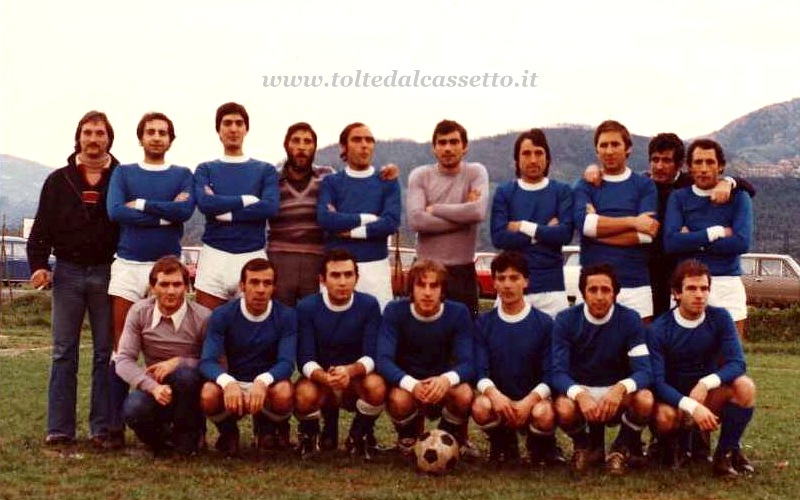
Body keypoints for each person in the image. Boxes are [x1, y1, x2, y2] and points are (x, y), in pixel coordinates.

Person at [27, 110, 120, 447]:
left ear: (109, 138)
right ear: (78, 137)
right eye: (87, 132)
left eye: (100, 133)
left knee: (105, 352)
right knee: (63, 351)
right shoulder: (58, 180)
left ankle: (101, 428)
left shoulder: (122, 178)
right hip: (66, 273)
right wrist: (38, 264)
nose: (94, 139)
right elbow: (40, 231)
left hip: (108, 274)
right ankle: (60, 429)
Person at [106, 112, 195, 448]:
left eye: (163, 132)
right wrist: (163, 214)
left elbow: (184, 213)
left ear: (171, 139)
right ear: (140, 137)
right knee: (121, 349)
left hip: (168, 266)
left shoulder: (182, 174)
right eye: (150, 132)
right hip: (129, 265)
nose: (157, 137)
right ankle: (114, 426)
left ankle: (185, 423)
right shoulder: (124, 173)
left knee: (178, 348)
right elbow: (116, 212)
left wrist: (142, 205)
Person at [648, 259, 756, 477]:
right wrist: (690, 405)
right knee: (664, 417)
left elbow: (738, 363)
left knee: (745, 387)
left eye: (704, 288)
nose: (699, 294)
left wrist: (706, 383)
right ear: (676, 293)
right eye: (691, 288)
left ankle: (726, 453)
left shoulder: (720, 318)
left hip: (707, 396)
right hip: (674, 399)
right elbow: (657, 382)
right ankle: (673, 446)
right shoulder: (659, 329)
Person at [551, 264, 654, 474]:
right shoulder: (565, 319)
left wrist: (620, 389)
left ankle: (620, 448)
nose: (599, 296)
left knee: (645, 399)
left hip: (616, 393)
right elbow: (557, 372)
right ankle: (585, 446)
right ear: (583, 293)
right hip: (583, 391)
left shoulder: (630, 319)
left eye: (606, 290)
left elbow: (645, 370)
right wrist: (579, 394)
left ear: (615, 293)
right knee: (563, 406)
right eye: (593, 290)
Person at [472, 251, 564, 465]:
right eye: (501, 278)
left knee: (544, 413)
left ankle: (540, 445)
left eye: (514, 278)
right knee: (480, 406)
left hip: (532, 402)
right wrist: (495, 395)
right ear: (494, 283)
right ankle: (503, 443)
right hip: (500, 402)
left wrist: (529, 401)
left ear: (526, 281)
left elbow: (551, 373)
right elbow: (479, 370)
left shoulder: (544, 323)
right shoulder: (484, 323)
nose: (507, 285)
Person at [294, 249, 386, 459]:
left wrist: (349, 371)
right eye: (335, 275)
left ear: (357, 278)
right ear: (323, 280)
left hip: (354, 381)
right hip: (321, 379)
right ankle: (311, 434)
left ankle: (359, 434)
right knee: (303, 394)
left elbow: (372, 354)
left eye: (348, 275)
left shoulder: (369, 305)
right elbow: (305, 359)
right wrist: (327, 378)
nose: (342, 282)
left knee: (377, 387)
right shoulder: (307, 307)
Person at [377, 259, 474, 456]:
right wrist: (411, 384)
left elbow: (469, 362)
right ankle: (409, 438)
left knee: (464, 393)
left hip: (442, 385)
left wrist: (446, 380)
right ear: (411, 288)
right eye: (421, 285)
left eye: (434, 285)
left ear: (443, 289)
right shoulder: (395, 311)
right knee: (398, 398)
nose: (428, 292)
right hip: (410, 386)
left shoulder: (459, 312)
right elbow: (383, 360)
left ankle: (448, 439)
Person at [114, 256, 210, 456]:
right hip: (157, 386)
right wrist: (153, 387)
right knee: (133, 409)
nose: (171, 291)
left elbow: (218, 362)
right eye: (164, 284)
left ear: (187, 287)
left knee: (185, 374)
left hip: (191, 387)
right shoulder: (139, 312)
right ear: (152, 287)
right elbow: (123, 360)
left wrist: (179, 362)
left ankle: (190, 437)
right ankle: (161, 441)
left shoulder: (203, 317)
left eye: (177, 284)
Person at [198, 258, 296, 456]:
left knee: (284, 392)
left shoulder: (286, 315)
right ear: (242, 286)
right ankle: (228, 432)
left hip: (267, 384)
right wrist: (227, 382)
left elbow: (287, 363)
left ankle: (269, 428)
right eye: (254, 282)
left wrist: (262, 381)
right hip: (234, 384)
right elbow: (207, 361)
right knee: (208, 393)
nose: (260, 289)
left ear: (274, 287)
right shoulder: (222, 314)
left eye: (267, 283)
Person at [664, 139, 753, 339]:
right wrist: (716, 232)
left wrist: (691, 240)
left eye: (710, 162)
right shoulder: (679, 197)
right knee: (683, 357)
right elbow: (671, 243)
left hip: (726, 284)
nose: (704, 168)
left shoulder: (739, 197)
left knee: (730, 359)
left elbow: (741, 242)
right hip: (687, 284)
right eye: (698, 162)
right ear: (689, 166)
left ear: (720, 166)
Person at [193, 102, 279, 310]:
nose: (233, 128)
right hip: (214, 256)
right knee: (209, 327)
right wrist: (247, 200)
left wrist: (224, 213)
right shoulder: (206, 169)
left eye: (239, 123)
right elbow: (206, 203)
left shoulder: (265, 170)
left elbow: (269, 207)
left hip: (252, 254)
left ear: (246, 129)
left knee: (253, 331)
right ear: (218, 130)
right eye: (227, 123)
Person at [573, 120, 658, 320]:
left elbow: (646, 235)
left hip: (635, 286)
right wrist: (633, 221)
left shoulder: (645, 186)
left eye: (615, 144)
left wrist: (599, 229)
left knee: (639, 350)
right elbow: (586, 226)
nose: (609, 151)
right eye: (603, 145)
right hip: (593, 288)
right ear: (596, 151)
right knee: (591, 351)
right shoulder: (584, 186)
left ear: (627, 148)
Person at [406, 119, 489, 318]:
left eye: (454, 142)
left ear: (465, 147)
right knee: (421, 334)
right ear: (434, 148)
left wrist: (435, 209)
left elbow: (477, 212)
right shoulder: (420, 175)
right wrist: (463, 215)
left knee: (468, 330)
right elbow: (417, 221)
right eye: (442, 143)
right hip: (424, 270)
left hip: (463, 271)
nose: (448, 148)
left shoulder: (476, 172)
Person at [490, 129, 574, 317]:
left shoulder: (562, 191)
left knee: (552, 345)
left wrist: (523, 226)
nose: (533, 159)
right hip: (512, 288)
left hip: (552, 289)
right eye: (526, 153)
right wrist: (543, 232)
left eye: (539, 153)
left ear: (548, 158)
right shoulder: (505, 192)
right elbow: (499, 237)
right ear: (517, 160)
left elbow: (564, 234)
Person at [317, 122, 401, 310]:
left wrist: (353, 232)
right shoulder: (331, 182)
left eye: (369, 140)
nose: (364, 144)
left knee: (376, 325)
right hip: (337, 270)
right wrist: (368, 219)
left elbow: (391, 223)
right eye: (357, 139)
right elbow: (326, 219)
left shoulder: (387, 181)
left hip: (375, 267)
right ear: (343, 147)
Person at [267, 122, 335, 307]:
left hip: (316, 258)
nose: (302, 147)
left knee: (313, 319)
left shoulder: (327, 176)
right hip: (279, 258)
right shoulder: (271, 178)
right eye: (296, 141)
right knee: (281, 317)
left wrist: (385, 175)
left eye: (308, 141)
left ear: (315, 146)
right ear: (286, 145)